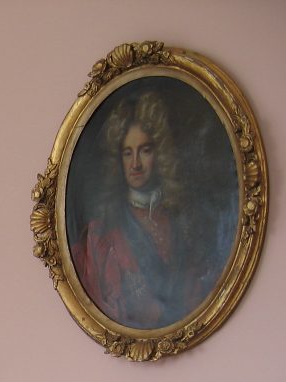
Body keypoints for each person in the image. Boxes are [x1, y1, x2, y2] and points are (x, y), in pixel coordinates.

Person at [71, 90, 215, 330]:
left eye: (145, 150)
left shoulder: (182, 223)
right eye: (128, 153)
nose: (135, 163)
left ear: (161, 154)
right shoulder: (101, 233)